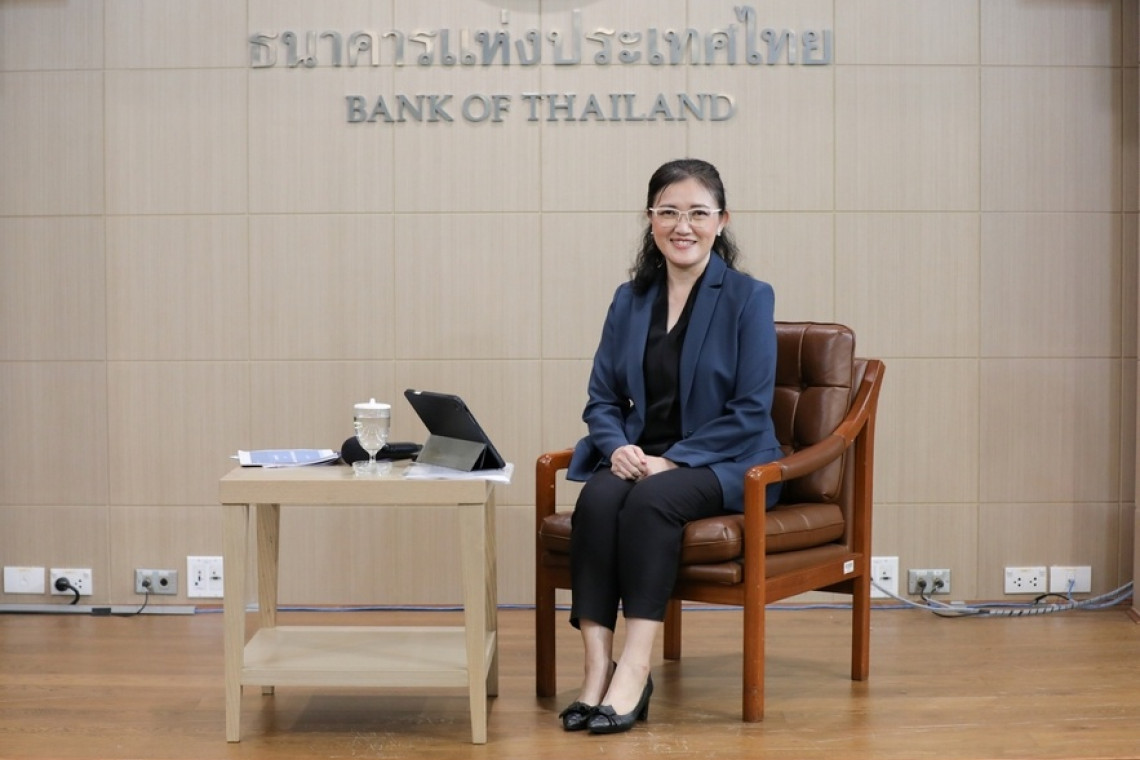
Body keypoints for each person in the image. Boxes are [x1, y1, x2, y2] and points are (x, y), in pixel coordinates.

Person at [560, 158, 783, 735]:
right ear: (651, 219)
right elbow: (602, 399)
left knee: (651, 501)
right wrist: (616, 448)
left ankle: (635, 670)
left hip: (727, 460)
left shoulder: (749, 297)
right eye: (669, 212)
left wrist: (672, 459)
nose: (683, 226)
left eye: (698, 213)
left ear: (722, 220)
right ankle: (596, 670)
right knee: (597, 500)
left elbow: (750, 410)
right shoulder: (630, 299)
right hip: (643, 454)